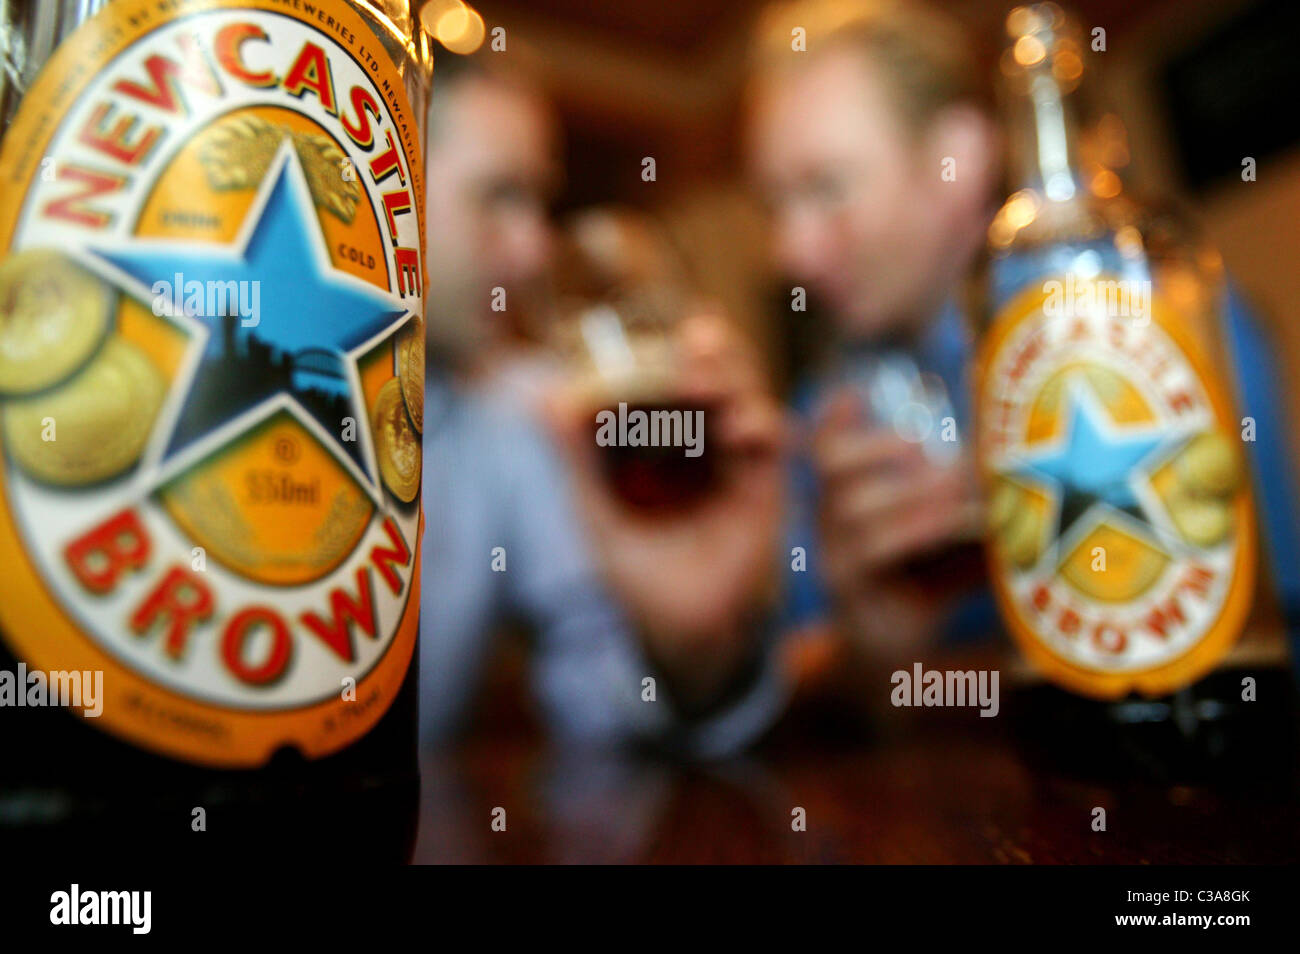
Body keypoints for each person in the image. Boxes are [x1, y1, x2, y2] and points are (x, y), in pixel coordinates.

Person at [745, 0, 1300, 684]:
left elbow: (1269, 613)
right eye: (773, 204)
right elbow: (801, 663)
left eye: (827, 187)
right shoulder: (823, 416)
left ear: (960, 157)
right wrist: (873, 651)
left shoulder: (1159, 309)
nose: (788, 253)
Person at [420, 53, 787, 756]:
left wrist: (690, 642)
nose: (533, 251)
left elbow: (596, 690)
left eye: (538, 202)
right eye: (498, 195)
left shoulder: (519, 409)